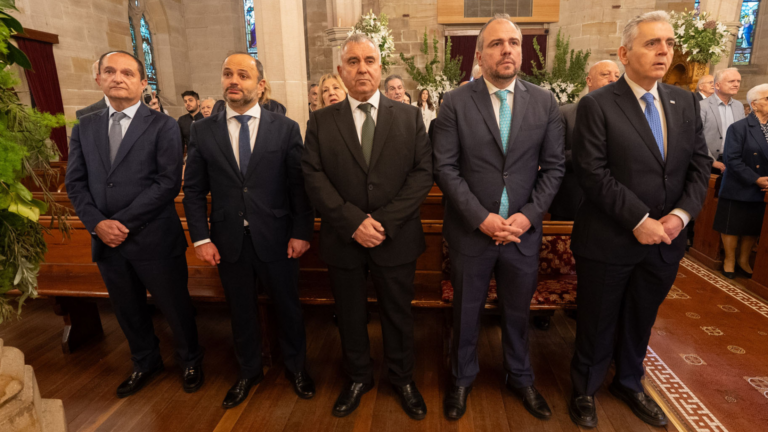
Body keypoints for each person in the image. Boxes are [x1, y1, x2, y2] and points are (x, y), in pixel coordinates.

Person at [569, 11, 710, 428]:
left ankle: (629, 382)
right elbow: (593, 172)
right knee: (597, 320)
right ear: (625, 53)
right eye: (652, 43)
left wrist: (681, 216)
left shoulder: (683, 102)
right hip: (611, 237)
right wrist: (640, 219)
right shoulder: (597, 103)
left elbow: (699, 165)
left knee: (642, 318)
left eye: (668, 43)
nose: (663, 51)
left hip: (667, 240)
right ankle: (584, 388)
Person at [433, 14, 565, 422]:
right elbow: (446, 167)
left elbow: (555, 167)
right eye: (496, 43)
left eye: (514, 42)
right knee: (466, 310)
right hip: (474, 232)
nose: (507, 50)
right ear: (479, 54)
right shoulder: (456, 102)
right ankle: (461, 378)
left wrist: (526, 218)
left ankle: (520, 376)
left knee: (517, 311)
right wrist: (481, 218)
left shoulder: (544, 102)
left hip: (522, 232)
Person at [302, 33, 433, 420]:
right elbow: (313, 175)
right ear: (341, 71)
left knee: (398, 312)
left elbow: (422, 174)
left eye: (369, 61)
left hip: (397, 237)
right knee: (350, 312)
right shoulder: (321, 121)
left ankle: (402, 377)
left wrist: (384, 222)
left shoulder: (408, 117)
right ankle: (358, 376)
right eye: (353, 62)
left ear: (380, 66)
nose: (362, 68)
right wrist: (353, 222)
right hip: (344, 238)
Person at [65, 51, 204, 398]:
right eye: (109, 71)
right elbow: (76, 183)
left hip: (153, 237)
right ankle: (145, 361)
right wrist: (97, 224)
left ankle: (190, 360)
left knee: (174, 305)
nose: (118, 77)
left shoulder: (163, 126)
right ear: (98, 78)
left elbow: (168, 182)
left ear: (143, 82)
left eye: (128, 73)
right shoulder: (85, 126)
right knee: (126, 308)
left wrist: (119, 223)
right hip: (107, 242)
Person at [183, 53, 316, 408]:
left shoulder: (284, 128)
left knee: (287, 307)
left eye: (243, 75)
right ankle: (249, 371)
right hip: (228, 242)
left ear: (259, 84)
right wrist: (201, 238)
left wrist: (302, 231)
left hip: (277, 237)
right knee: (241, 311)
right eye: (228, 73)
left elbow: (297, 187)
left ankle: (296, 368)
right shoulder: (203, 129)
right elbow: (194, 190)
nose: (233, 80)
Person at [549, 60, 621, 222]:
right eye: (605, 75)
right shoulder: (565, 114)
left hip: (614, 206)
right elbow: (555, 157)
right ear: (589, 80)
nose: (613, 79)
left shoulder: (626, 118)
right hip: (571, 204)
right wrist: (594, 154)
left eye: (617, 75)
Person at [713, 83, 768, 279]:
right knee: (732, 225)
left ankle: (743, 260)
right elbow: (732, 159)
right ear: (754, 104)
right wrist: (756, 179)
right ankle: (729, 259)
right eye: (767, 99)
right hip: (740, 185)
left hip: (763, 189)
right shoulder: (739, 128)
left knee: (752, 227)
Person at [701, 68, 745, 173]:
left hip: (734, 161)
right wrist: (712, 161)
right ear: (717, 85)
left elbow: (743, 134)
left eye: (738, 81)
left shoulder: (739, 106)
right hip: (708, 162)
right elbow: (696, 138)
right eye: (731, 81)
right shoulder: (702, 106)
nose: (736, 84)